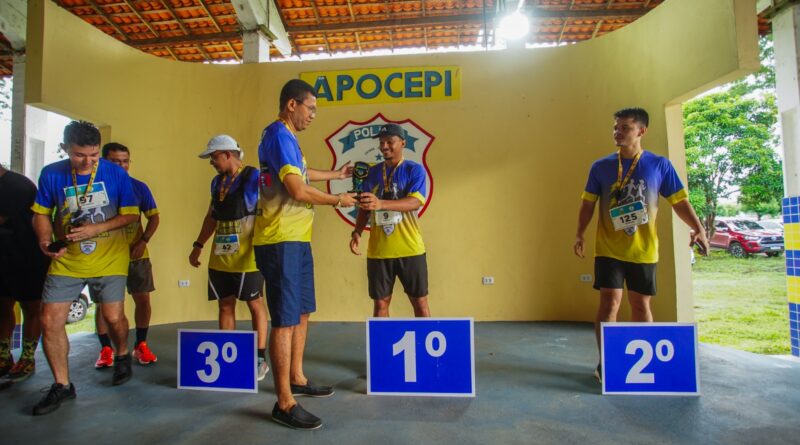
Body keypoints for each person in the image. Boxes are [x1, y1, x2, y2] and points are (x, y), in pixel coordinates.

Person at [573, 108, 709, 382]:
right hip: (608, 248)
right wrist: (580, 234)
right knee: (609, 303)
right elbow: (588, 203)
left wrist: (698, 228)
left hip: (644, 250)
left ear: (641, 131)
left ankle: (642, 366)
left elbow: (679, 201)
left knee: (640, 305)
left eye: (625, 127)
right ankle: (607, 362)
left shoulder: (659, 165)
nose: (617, 132)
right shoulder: (600, 167)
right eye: (615, 127)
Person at [254, 79, 357, 430]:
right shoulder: (278, 135)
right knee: (285, 319)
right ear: (291, 105)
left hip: (296, 238)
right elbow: (297, 189)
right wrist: (337, 199)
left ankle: (296, 378)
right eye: (310, 108)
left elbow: (301, 172)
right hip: (280, 239)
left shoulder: (287, 139)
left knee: (301, 311)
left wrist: (335, 175)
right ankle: (284, 402)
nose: (313, 115)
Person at [31, 121, 138, 415]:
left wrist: (96, 229)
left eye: (94, 155)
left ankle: (122, 353)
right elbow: (41, 213)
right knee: (49, 320)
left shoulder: (115, 173)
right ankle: (62, 384)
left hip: (110, 257)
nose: (88, 162)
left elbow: (131, 215)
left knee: (113, 316)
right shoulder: (51, 174)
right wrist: (44, 240)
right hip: (67, 259)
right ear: (65, 148)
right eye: (80, 155)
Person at [189, 134, 270, 381]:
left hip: (248, 257)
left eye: (214, 157)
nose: (212, 162)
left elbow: (271, 206)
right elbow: (211, 216)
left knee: (255, 304)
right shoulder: (216, 183)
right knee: (225, 305)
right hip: (220, 257)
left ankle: (259, 358)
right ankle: (227, 358)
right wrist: (198, 245)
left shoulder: (253, 177)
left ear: (227, 154)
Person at [349, 123, 431, 318]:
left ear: (403, 143)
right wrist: (357, 231)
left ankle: (424, 339)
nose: (384, 146)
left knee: (420, 302)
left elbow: (415, 202)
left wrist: (381, 204)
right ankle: (382, 340)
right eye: (381, 142)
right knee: (380, 303)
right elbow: (365, 207)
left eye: (389, 141)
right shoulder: (371, 173)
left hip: (410, 248)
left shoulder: (414, 170)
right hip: (379, 251)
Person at [92, 143, 160, 369]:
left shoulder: (139, 187)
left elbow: (154, 218)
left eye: (125, 161)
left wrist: (143, 241)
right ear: (103, 162)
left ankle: (141, 344)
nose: (121, 166)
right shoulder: (95, 189)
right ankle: (106, 349)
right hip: (104, 258)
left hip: (135, 255)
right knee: (104, 305)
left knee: (143, 299)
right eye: (115, 161)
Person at [0, 163, 49, 384]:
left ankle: (27, 357)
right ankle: (3, 356)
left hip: (28, 258)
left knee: (31, 308)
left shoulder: (18, 186)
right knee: (2, 307)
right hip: (3, 258)